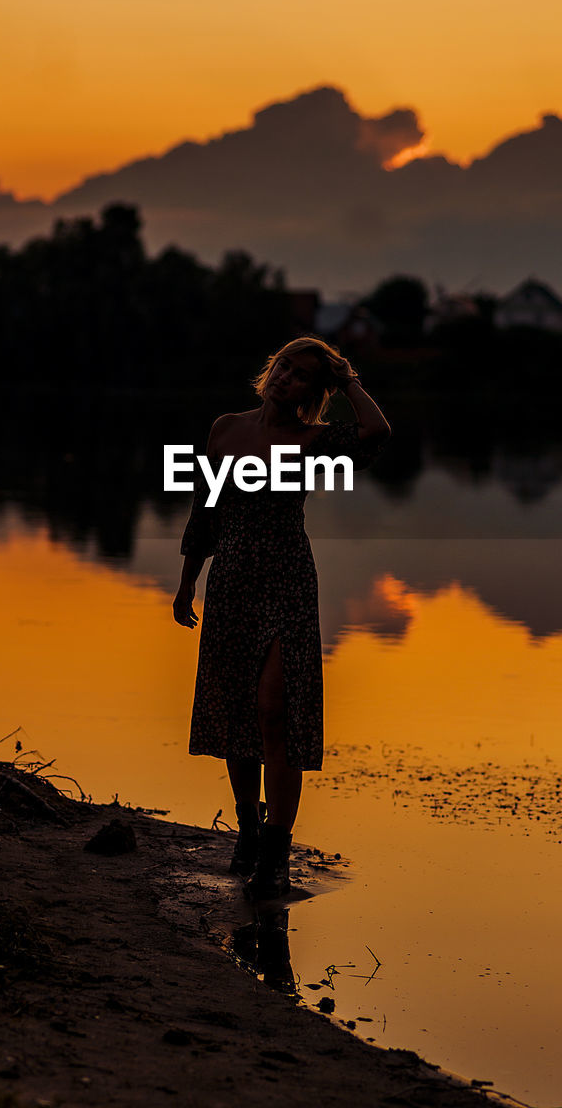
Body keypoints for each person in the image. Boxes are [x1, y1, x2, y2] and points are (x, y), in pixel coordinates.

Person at [172, 336, 391, 900]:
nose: (286, 378)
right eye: (284, 366)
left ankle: (276, 851)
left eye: (301, 376)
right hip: (232, 583)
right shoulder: (224, 429)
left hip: (288, 581)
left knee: (277, 713)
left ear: (313, 393)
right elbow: (205, 510)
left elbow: (376, 434)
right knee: (236, 714)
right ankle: (247, 831)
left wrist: (347, 379)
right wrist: (187, 583)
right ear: (271, 368)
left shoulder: (312, 440)